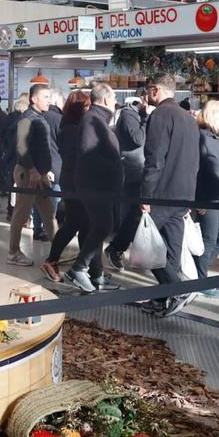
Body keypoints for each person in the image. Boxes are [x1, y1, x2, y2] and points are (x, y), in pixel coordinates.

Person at [139, 74, 200, 313]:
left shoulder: (160, 115)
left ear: (155, 90)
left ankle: (177, 290)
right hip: (183, 193)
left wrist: (146, 196)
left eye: (147, 91)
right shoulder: (188, 118)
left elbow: (155, 159)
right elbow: (195, 159)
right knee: (172, 249)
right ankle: (163, 298)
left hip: (161, 193)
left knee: (148, 249)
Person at [66, 83, 123, 294]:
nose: (116, 100)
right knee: (103, 226)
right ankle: (78, 268)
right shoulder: (93, 120)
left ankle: (96, 274)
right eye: (114, 96)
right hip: (95, 184)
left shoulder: (97, 119)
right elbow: (89, 153)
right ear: (106, 99)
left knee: (97, 227)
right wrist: (113, 166)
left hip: (98, 184)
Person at [7, 84, 59, 265]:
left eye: (49, 97)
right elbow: (21, 147)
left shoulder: (39, 117)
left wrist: (44, 171)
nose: (49, 100)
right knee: (21, 213)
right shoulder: (27, 118)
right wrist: (32, 170)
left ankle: (58, 249)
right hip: (29, 174)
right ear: (33, 99)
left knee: (49, 212)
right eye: (45, 97)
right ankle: (13, 252)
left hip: (40, 174)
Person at [189, 100, 219, 302]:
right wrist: (196, 200)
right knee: (208, 239)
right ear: (213, 115)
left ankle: (196, 269)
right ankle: (200, 281)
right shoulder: (201, 137)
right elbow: (194, 170)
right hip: (206, 197)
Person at [43, 90, 90, 284]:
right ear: (80, 108)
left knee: (80, 223)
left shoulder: (70, 126)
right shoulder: (72, 129)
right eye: (86, 106)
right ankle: (53, 260)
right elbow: (76, 157)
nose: (89, 109)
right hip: (75, 182)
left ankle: (82, 266)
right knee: (75, 223)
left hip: (74, 181)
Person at [106, 90, 150, 270]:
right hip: (132, 172)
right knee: (132, 214)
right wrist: (147, 118)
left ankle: (120, 248)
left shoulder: (134, 115)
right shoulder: (129, 115)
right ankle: (116, 248)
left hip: (142, 170)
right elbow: (138, 139)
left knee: (136, 214)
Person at [32, 89, 65, 242]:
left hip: (40, 166)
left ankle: (37, 228)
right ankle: (48, 230)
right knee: (53, 201)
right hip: (55, 165)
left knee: (39, 198)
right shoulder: (59, 119)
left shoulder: (38, 116)